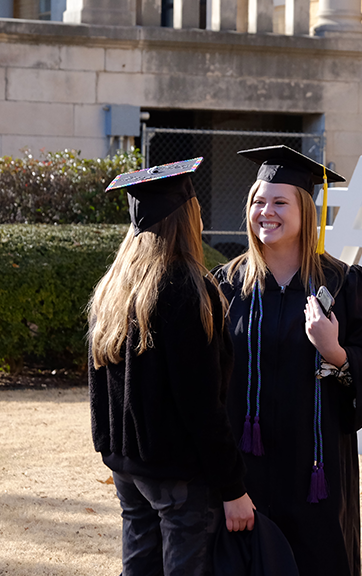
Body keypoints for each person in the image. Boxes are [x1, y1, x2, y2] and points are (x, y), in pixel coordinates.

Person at [214, 145, 362, 576]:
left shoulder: (344, 284)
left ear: (305, 210)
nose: (267, 211)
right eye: (258, 201)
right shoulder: (226, 287)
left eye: (280, 202)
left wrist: (334, 351)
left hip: (316, 473)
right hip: (246, 474)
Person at [87, 158, 256, 576]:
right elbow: (200, 402)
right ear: (188, 217)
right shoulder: (187, 288)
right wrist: (233, 487)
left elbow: (99, 383)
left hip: (129, 465)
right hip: (179, 472)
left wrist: (112, 450)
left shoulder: (114, 288)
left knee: (139, 566)